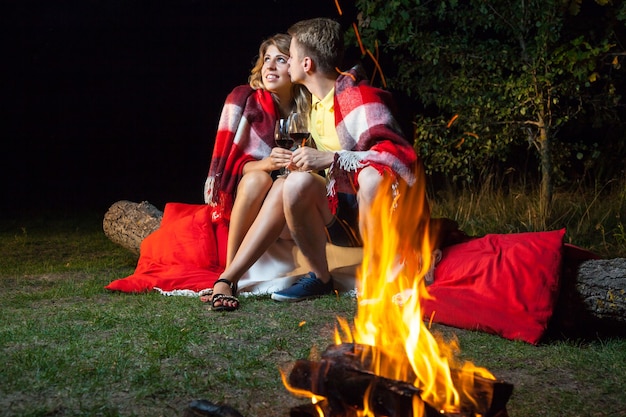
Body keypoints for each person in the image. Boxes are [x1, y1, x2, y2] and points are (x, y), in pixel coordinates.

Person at [208, 17, 425, 309]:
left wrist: (331, 159)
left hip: (371, 216)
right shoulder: (313, 106)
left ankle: (380, 272)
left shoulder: (357, 98)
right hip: (337, 215)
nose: (285, 64)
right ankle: (313, 278)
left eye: (291, 57)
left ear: (306, 64)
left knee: (372, 176)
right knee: (293, 182)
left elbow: (398, 157)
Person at [202, 33, 310, 310]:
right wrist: (267, 164)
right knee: (256, 179)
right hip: (251, 199)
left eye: (280, 59)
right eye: (266, 59)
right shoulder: (250, 103)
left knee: (286, 184)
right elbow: (236, 166)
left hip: (294, 200)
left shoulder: (310, 107)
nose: (270, 66)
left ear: (297, 65)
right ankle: (229, 276)